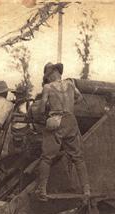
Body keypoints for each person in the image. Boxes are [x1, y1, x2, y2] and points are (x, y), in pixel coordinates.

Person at [35, 62, 91, 201]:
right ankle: (86, 190)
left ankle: (42, 190)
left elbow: (41, 110)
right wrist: (69, 105)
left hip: (56, 120)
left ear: (49, 75)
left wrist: (48, 108)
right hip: (70, 120)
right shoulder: (71, 84)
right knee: (78, 157)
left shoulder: (48, 87)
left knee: (47, 157)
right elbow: (80, 98)